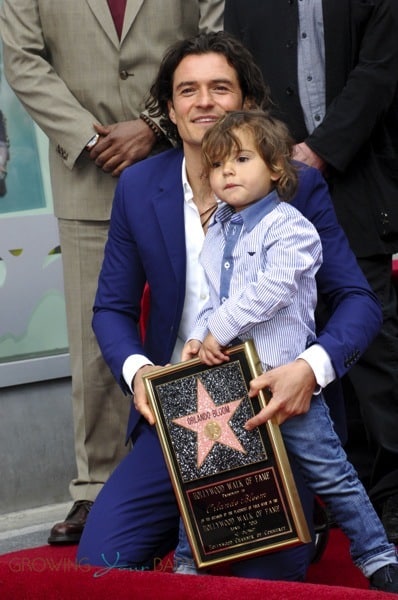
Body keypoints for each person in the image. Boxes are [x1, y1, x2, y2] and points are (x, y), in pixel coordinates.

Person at [76, 32, 394, 589]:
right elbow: (111, 310)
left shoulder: (295, 185)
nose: (204, 102)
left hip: (276, 404)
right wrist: (140, 375)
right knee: (103, 562)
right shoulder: (139, 187)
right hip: (180, 408)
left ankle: (320, 523)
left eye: (220, 88)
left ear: (246, 100)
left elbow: (359, 302)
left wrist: (311, 370)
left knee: (259, 576)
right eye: (188, 91)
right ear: (169, 110)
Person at [0, 0, 224, 544]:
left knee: (216, 310)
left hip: (195, 157)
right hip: (88, 170)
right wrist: (89, 137)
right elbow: (23, 58)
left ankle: (224, 465)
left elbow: (214, 35)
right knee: (95, 332)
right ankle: (97, 484)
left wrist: (153, 126)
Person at [172, 109, 398, 589]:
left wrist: (223, 326)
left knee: (331, 475)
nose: (226, 171)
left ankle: (379, 558)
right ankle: (187, 564)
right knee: (206, 477)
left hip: (282, 385)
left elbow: (271, 287)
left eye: (241, 158)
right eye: (216, 165)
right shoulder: (218, 233)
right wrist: (198, 336)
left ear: (276, 168)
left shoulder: (290, 226)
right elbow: (215, 299)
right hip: (227, 385)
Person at [224, 0, 398, 544]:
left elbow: (380, 71)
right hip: (274, 186)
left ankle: (390, 497)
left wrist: (320, 151)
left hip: (358, 176)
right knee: (290, 337)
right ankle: (311, 498)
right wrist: (271, 161)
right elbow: (246, 83)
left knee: (374, 346)